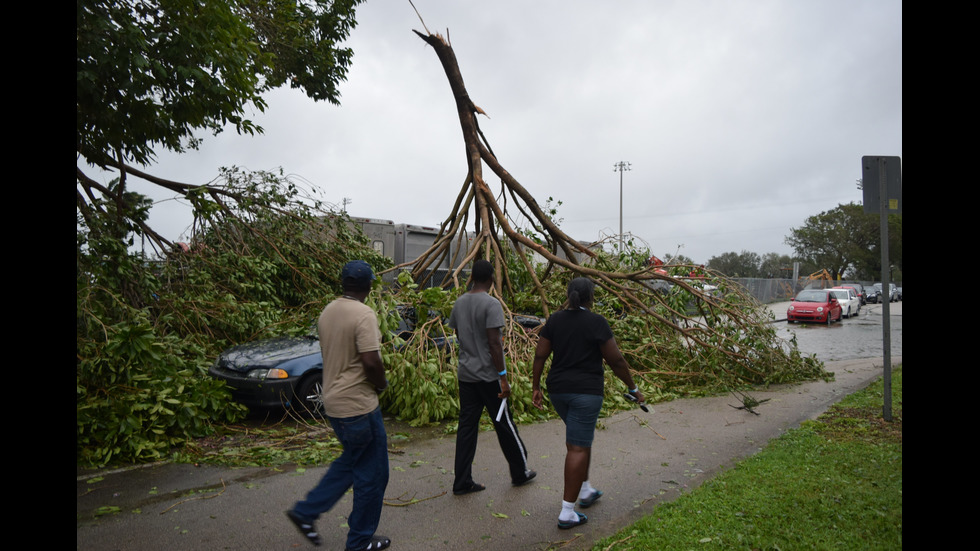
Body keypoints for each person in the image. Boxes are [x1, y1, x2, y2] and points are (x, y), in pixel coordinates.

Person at [287, 260, 392, 551]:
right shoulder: (363, 314)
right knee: (373, 474)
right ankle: (358, 541)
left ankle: (307, 511)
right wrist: (382, 384)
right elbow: (371, 361)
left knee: (356, 463)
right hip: (359, 404)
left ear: (344, 283)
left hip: (334, 403)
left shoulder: (328, 312)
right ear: (368, 285)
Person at [531, 277, 645, 530]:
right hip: (586, 393)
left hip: (558, 391)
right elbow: (616, 361)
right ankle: (567, 513)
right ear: (590, 298)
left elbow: (540, 354)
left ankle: (585, 490)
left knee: (580, 441)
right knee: (577, 447)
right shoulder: (596, 322)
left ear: (569, 294)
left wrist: (536, 387)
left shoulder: (556, 320)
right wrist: (633, 387)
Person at [447, 259, 536, 495]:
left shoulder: (459, 302)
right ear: (491, 279)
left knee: (467, 428)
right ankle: (520, 472)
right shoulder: (491, 304)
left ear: (472, 278)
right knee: (504, 422)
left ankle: (462, 481)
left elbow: (458, 334)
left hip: (466, 376)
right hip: (488, 377)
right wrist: (503, 377)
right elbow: (495, 344)